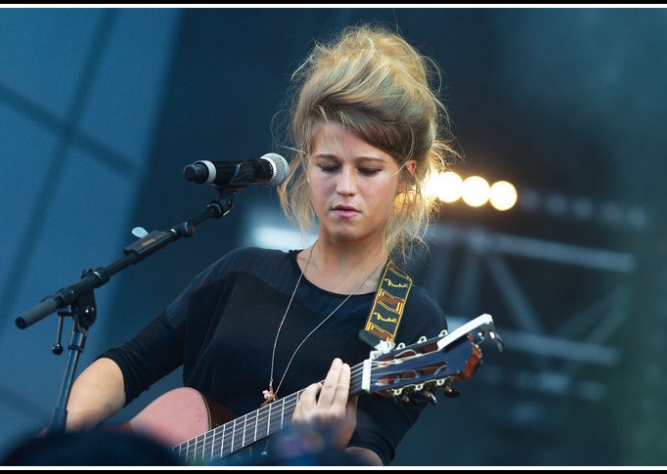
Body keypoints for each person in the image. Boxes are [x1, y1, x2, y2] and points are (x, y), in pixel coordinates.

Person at [61, 23, 459, 466]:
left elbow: (370, 454)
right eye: (328, 165)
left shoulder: (409, 315)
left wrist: (319, 451)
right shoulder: (241, 272)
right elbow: (126, 365)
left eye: (367, 170)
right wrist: (69, 440)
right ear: (305, 167)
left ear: (406, 176)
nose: (345, 186)